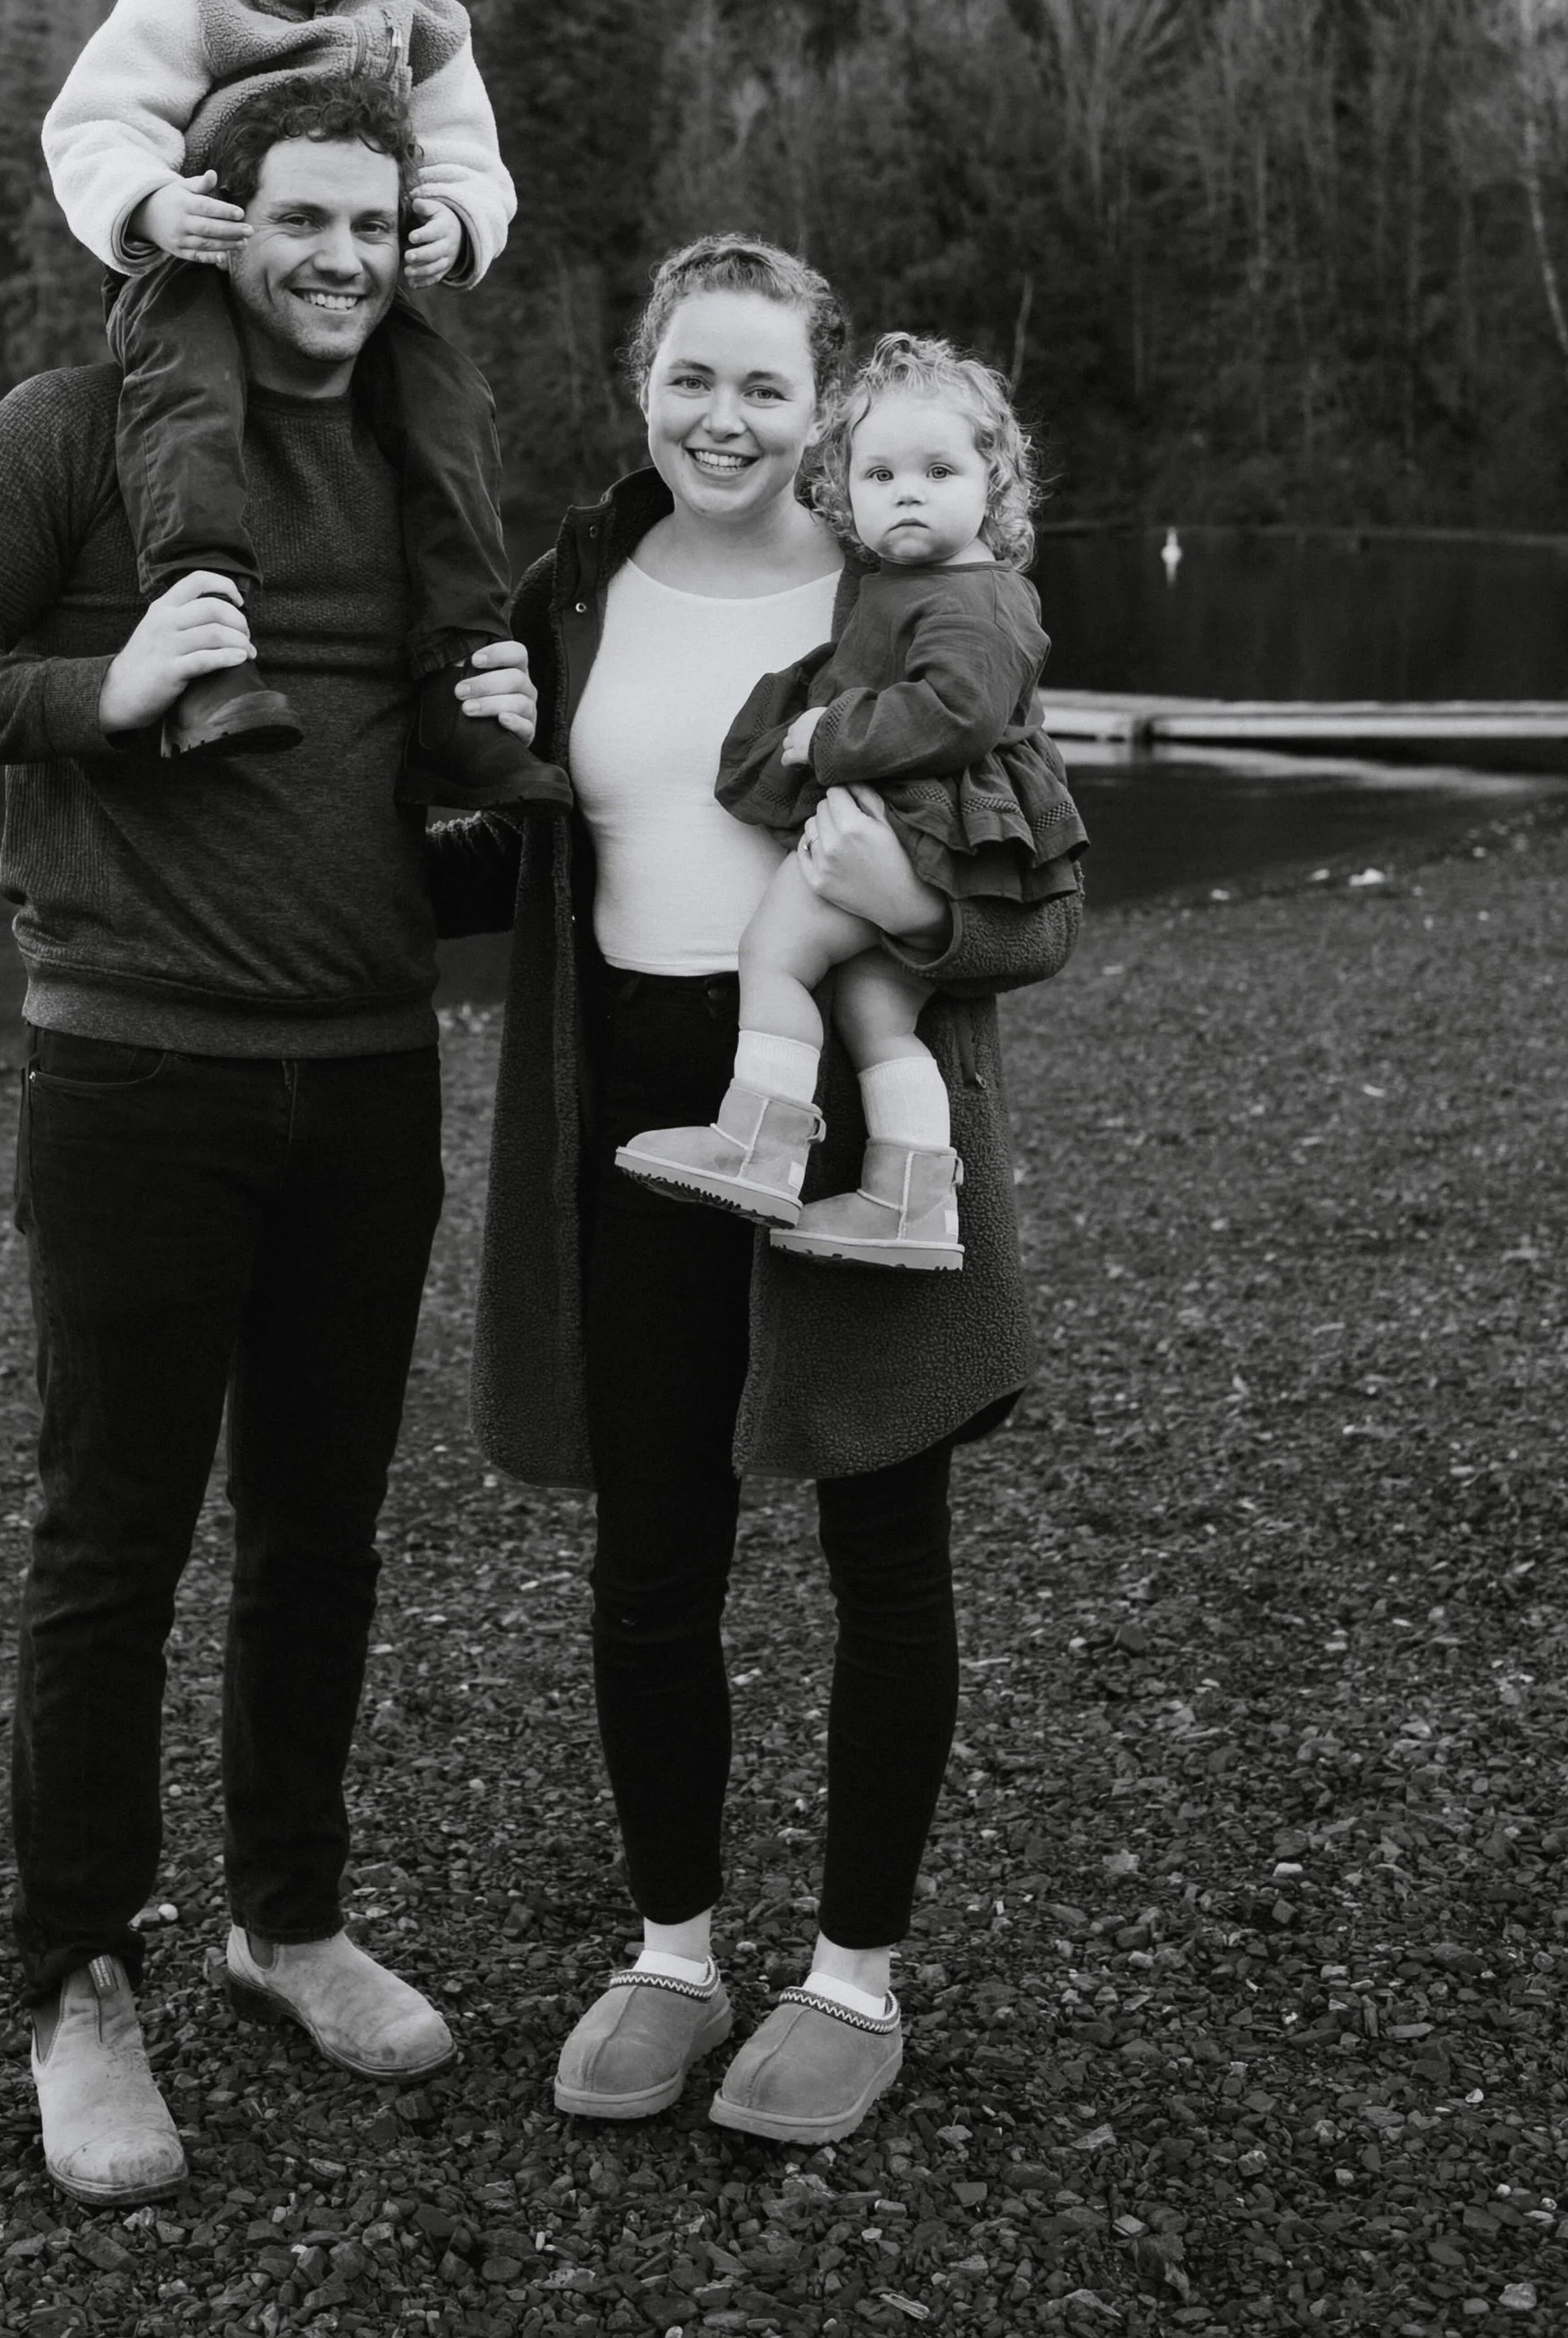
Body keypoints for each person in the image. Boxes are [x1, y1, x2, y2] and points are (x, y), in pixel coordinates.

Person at [0, 70, 541, 2206]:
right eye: (294, 216)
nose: (332, 256)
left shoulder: (424, 452)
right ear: (216, 220)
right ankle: (76, 1975)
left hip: (370, 1063)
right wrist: (104, 690)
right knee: (111, 1534)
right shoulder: (75, 430)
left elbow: (425, 793)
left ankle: (286, 1913)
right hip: (135, 1067)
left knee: (322, 1524)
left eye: (368, 219)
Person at [428, 235, 1081, 2147]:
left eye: (762, 389)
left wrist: (919, 906)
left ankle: (853, 1980)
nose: (722, 418)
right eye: (687, 379)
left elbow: (1037, 895)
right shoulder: (568, 589)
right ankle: (670, 1954)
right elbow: (516, 849)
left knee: (880, 1554)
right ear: (641, 382)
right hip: (629, 1114)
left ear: (820, 414)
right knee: (650, 1557)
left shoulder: (903, 588)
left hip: (853, 1102)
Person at [42, 0, 564, 812]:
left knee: (451, 405)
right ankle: (209, 653)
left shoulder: (422, 17)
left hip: (346, 290)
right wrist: (149, 201)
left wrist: (458, 220)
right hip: (195, 268)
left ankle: (458, 686)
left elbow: (473, 156)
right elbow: (93, 123)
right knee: (189, 402)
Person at [619, 329, 1085, 1267]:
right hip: (932, 832)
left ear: (996, 485)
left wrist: (827, 734)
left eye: (938, 470)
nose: (905, 492)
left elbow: (957, 711)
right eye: (879, 476)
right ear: (844, 491)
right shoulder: (912, 583)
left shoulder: (971, 598)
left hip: (904, 826)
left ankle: (758, 1142)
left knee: (776, 954)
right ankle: (910, 1195)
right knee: (878, 1014)